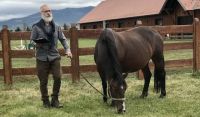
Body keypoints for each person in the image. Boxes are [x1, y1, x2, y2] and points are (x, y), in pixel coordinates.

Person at [30, 4, 72, 108]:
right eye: (46, 11)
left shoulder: (57, 27)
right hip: (41, 57)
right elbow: (31, 41)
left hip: (54, 56)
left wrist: (68, 49)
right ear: (42, 13)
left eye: (49, 10)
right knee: (43, 80)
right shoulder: (36, 27)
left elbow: (62, 39)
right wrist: (38, 43)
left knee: (58, 77)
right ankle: (45, 101)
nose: (48, 12)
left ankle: (55, 100)